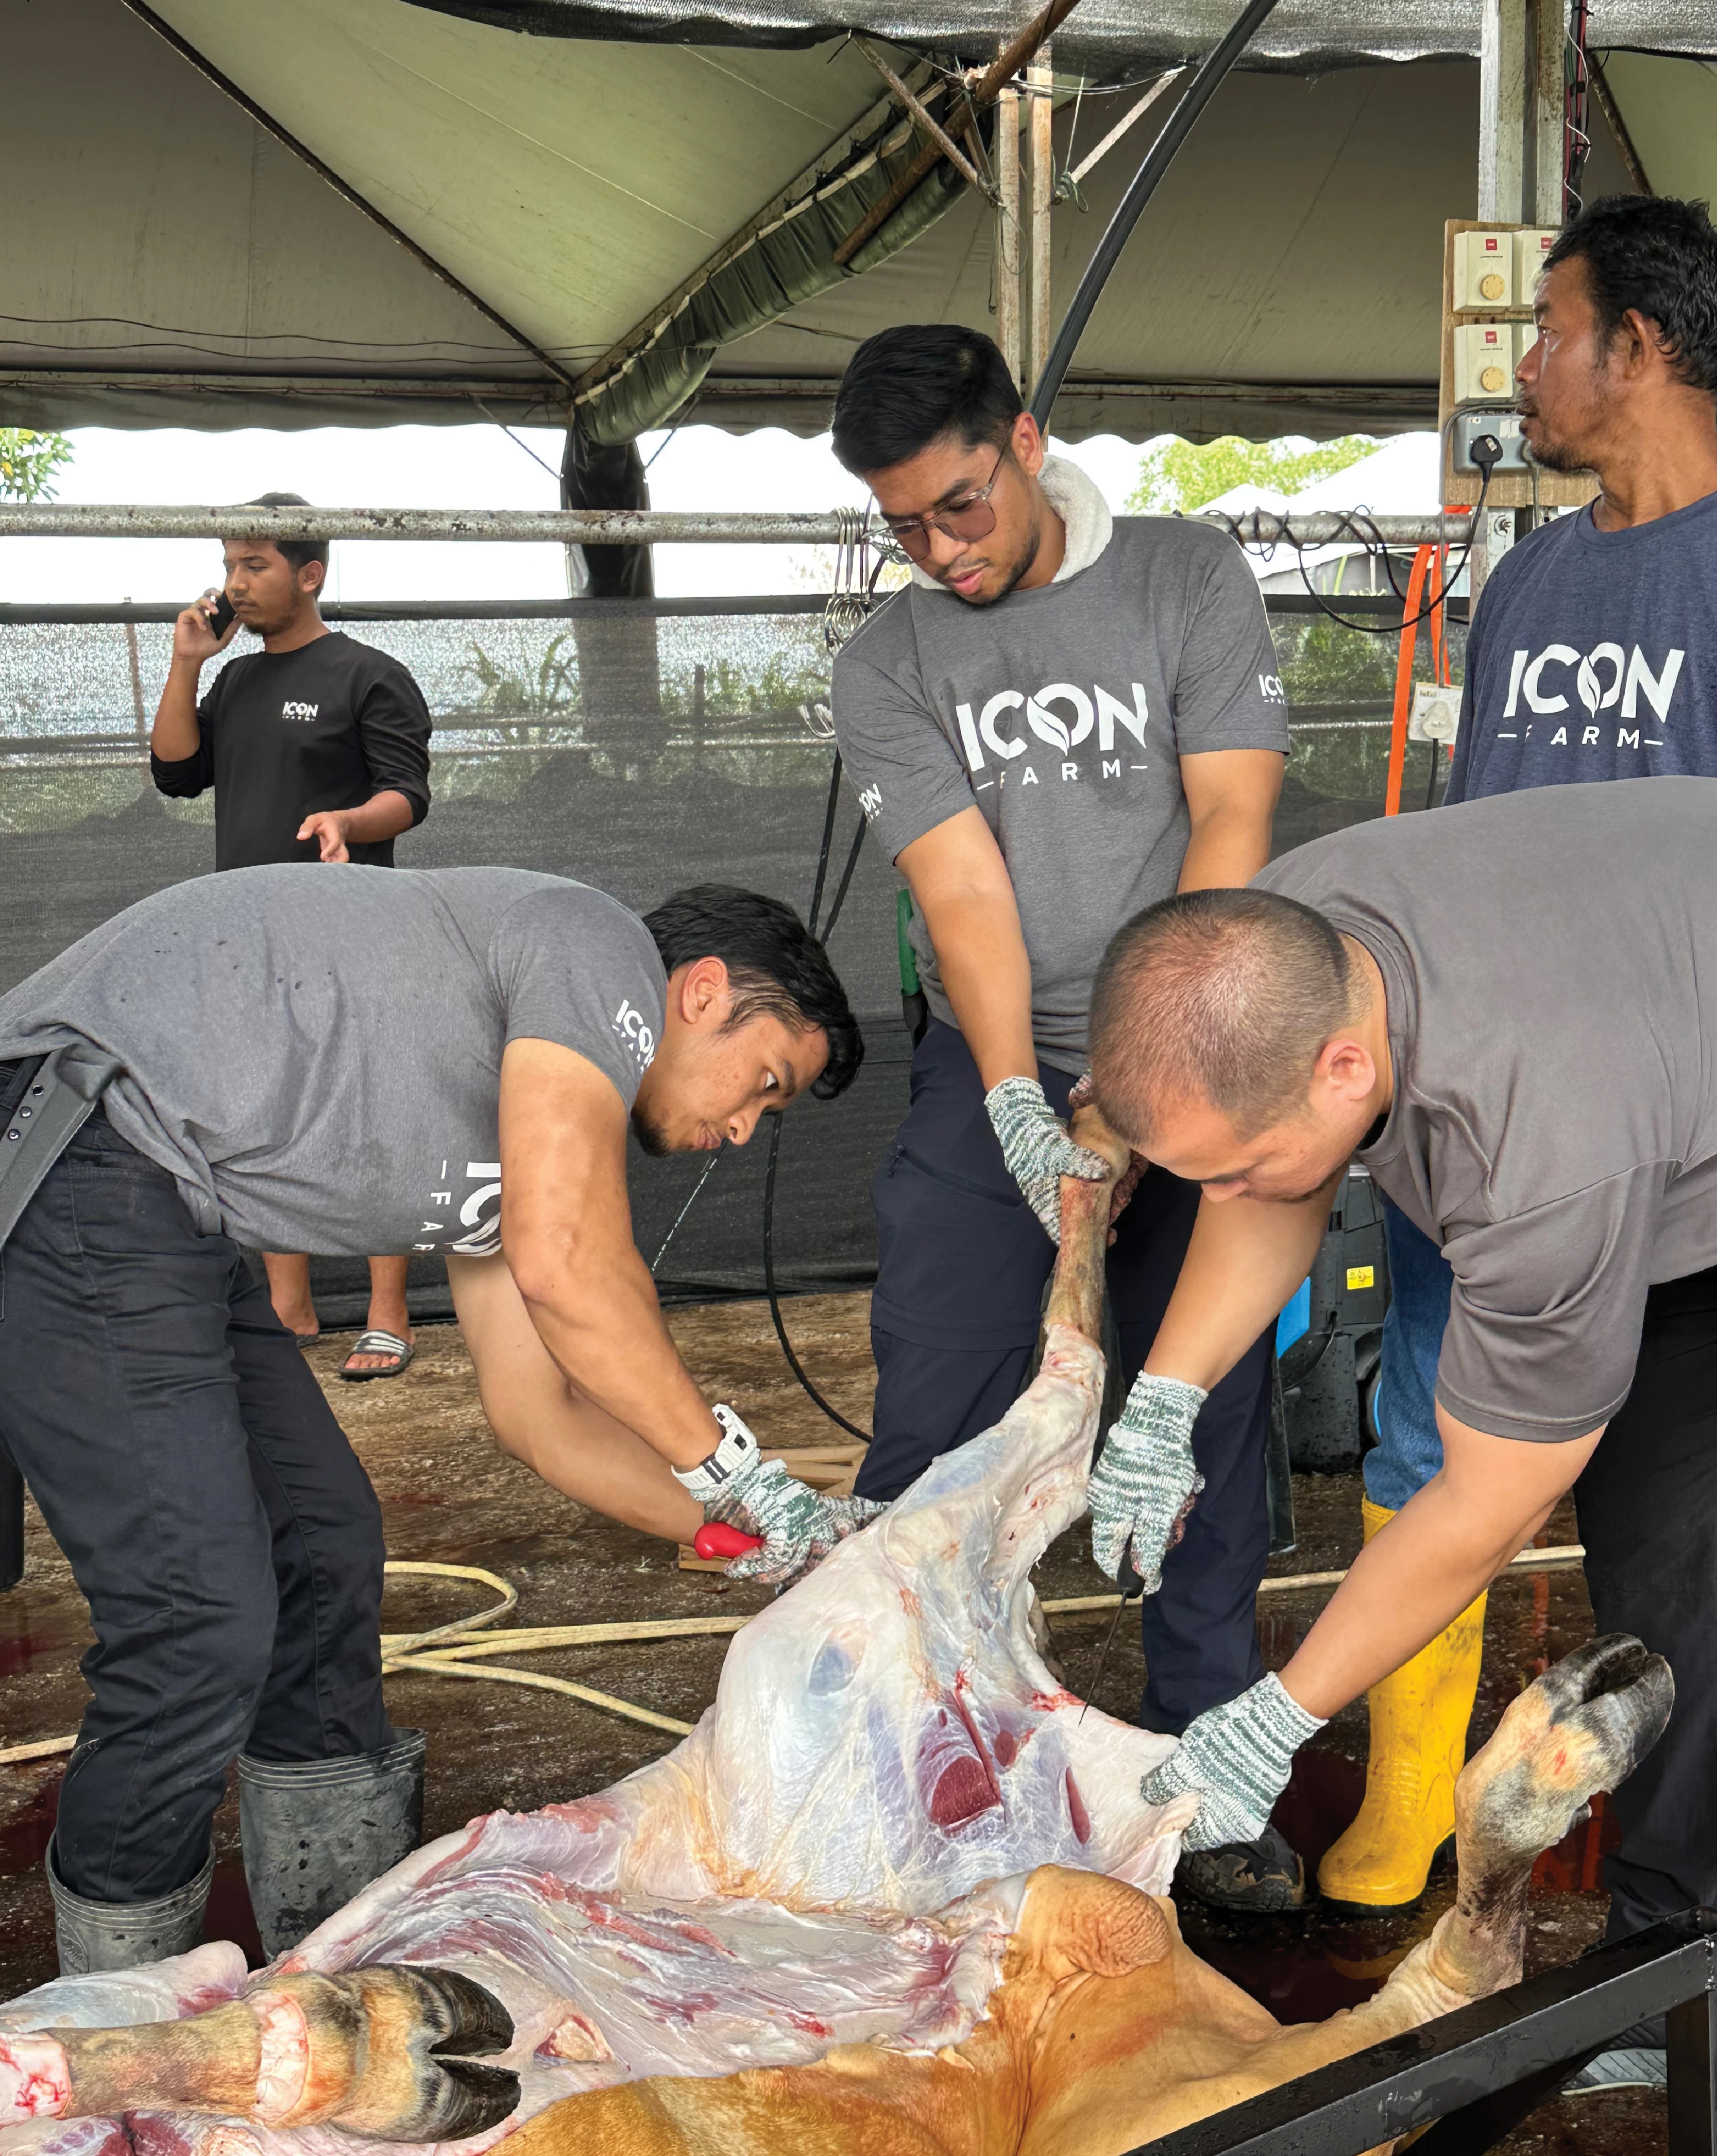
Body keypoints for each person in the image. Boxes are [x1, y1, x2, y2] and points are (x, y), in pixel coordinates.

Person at [0, 868, 869, 1973]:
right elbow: (568, 1269)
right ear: (702, 992)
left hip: (162, 1201)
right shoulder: (593, 943)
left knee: (321, 1547)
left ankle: (333, 1973)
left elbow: (535, 1412)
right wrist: (744, 1473)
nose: (744, 1128)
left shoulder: (525, 1109)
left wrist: (762, 1545)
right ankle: (115, 2034)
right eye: (765, 1082)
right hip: (79, 1140)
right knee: (196, 1620)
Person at [1082, 779, 1717, 2060]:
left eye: (1235, 1165)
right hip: (1642, 1036)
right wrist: (1162, 1396)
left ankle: (1682, 1968)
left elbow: (1485, 1508)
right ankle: (1673, 1952)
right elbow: (1263, 1181)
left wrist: (1276, 1715)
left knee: (1683, 1557)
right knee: (1660, 1563)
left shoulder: (1538, 1153)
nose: (1224, 1196)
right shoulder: (1287, 945)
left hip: (1634, 1125)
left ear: (1346, 1066)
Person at [828, 325, 1297, 1912]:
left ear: (1021, 440)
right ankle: (911, 1764)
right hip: (998, 1058)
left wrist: (1142, 1068)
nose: (936, 550)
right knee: (937, 1398)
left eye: (957, 504)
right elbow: (960, 886)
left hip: (1203, 1037)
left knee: (1197, 1415)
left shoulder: (1183, 577)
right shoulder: (886, 660)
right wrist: (1029, 1103)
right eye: (901, 524)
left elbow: (1232, 812)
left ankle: (1198, 1784)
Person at [1325, 194, 1717, 1953]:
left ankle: (1668, 1928)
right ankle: (1407, 1827)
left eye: (1547, 329)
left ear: (1636, 345)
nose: (1526, 365)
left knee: (1682, 1560)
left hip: (1684, 1150)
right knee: (1467, 1477)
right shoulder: (1532, 578)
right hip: (1501, 1144)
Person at [151, 493, 434, 1380]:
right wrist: (185, 663)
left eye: (255, 565)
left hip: (351, 930)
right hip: (249, 935)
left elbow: (409, 795)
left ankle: (389, 1314)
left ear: (310, 575)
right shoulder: (233, 679)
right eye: (230, 564)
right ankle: (290, 1308)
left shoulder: (366, 674)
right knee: (264, 1115)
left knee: (370, 1112)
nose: (235, 582)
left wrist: (351, 818)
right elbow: (172, 773)